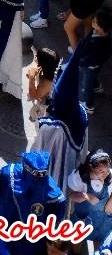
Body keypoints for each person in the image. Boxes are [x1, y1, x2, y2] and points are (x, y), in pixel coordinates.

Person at [31, 48, 89, 194]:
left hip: (54, 162)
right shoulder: (82, 113)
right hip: (74, 161)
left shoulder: (50, 126)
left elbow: (37, 150)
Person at [67, 150, 112, 249]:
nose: (105, 174)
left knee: (100, 243)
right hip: (83, 217)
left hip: (102, 219)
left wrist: (110, 205)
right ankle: (76, 254)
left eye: (107, 170)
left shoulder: (109, 177)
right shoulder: (79, 177)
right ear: (91, 167)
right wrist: (86, 196)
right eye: (101, 171)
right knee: (77, 239)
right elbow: (72, 195)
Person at [75, 9, 112, 112]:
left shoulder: (101, 43)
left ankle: (88, 105)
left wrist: (81, 61)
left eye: (95, 21)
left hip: (90, 66)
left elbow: (93, 56)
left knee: (86, 86)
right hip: (94, 66)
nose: (92, 21)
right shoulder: (97, 32)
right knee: (93, 77)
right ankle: (97, 87)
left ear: (101, 27)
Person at [24, 46, 58, 123]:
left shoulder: (47, 82)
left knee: (35, 112)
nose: (35, 55)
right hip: (41, 96)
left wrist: (32, 77)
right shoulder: (47, 69)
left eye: (38, 56)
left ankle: (36, 120)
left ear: (44, 63)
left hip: (44, 103)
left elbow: (33, 96)